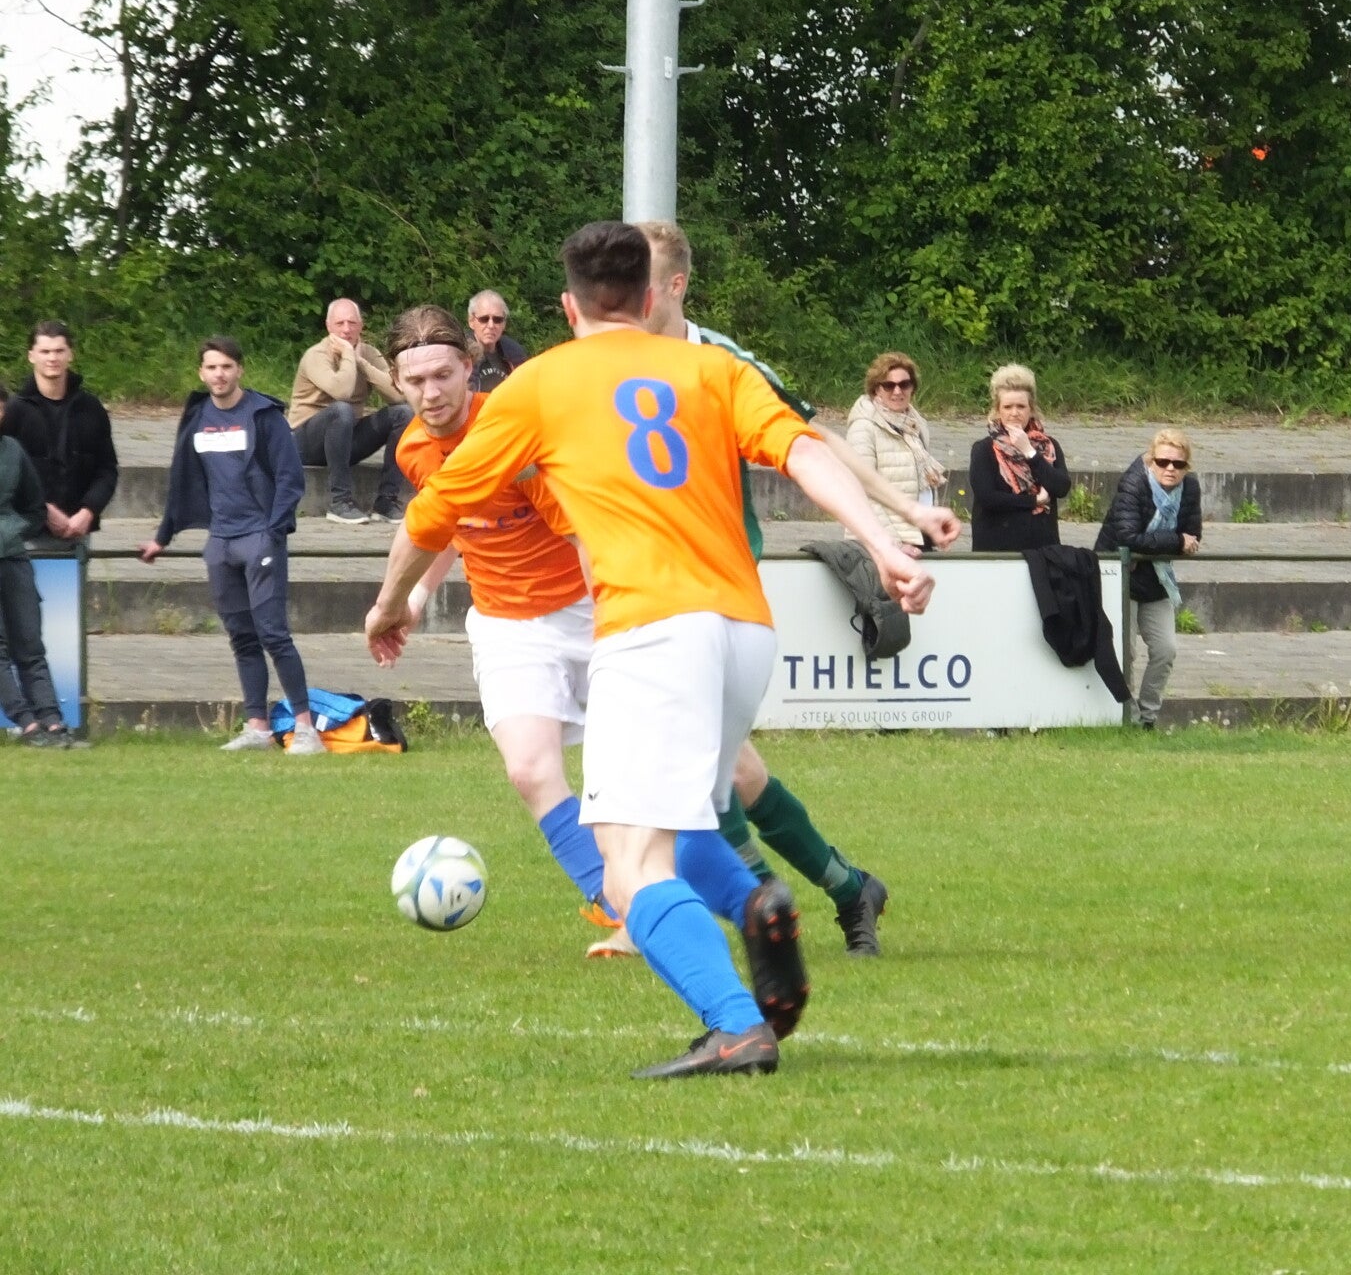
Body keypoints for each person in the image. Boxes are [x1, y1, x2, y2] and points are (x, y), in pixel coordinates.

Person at [364, 220, 933, 1079]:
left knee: (629, 865)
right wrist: (886, 545)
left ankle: (735, 1023)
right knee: (683, 815)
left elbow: (432, 514)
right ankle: (756, 909)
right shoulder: (712, 369)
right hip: (744, 628)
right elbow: (803, 450)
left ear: (569, 307)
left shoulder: (541, 383)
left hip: (649, 628)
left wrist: (387, 607)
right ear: (648, 295)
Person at [630, 219, 962, 957]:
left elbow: (816, 442)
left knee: (698, 766)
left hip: (712, 585)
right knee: (730, 766)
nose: (623, 296)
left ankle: (754, 911)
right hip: (631, 587)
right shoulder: (603, 356)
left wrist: (905, 513)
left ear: (676, 286)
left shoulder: (721, 360)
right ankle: (847, 888)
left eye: (639, 282)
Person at [138, 339, 322, 755]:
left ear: (239, 369)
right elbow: (181, 480)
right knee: (241, 637)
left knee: (274, 634)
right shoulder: (197, 417)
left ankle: (306, 730)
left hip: (260, 537)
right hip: (220, 542)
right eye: (211, 368)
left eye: (226, 366)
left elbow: (290, 478)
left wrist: (273, 532)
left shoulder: (264, 415)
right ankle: (258, 729)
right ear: (201, 373)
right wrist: (162, 537)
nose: (218, 374)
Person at [1095, 428, 1202, 730]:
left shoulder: (1190, 488)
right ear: (1151, 461)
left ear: (1186, 467)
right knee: (1125, 651)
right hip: (1119, 576)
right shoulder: (1133, 484)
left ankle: (1148, 717)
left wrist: (1174, 541)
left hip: (1156, 578)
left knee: (1166, 650)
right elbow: (1128, 538)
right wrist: (1175, 541)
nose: (1170, 469)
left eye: (1178, 464)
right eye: (1163, 461)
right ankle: (1124, 716)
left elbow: (1194, 535)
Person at [288, 298, 413, 525]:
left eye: (352, 323)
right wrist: (348, 355)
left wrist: (361, 362)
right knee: (341, 410)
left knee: (403, 413)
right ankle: (340, 502)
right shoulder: (316, 355)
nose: (346, 329)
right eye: (340, 323)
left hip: (346, 439)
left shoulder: (369, 353)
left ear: (361, 326)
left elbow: (398, 395)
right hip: (305, 442)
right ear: (328, 326)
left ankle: (386, 501)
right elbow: (342, 392)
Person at [0, 380, 70, 747]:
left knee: (29, 642)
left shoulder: (13, 451)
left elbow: (34, 506)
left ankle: (52, 719)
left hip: (13, 558)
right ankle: (26, 722)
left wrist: (12, 529)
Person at [9, 320, 119, 542]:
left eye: (59, 351)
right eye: (45, 351)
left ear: (70, 354)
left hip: (78, 528)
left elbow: (107, 469)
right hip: (24, 532)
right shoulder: (13, 412)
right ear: (31, 356)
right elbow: (7, 475)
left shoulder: (91, 408)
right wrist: (44, 510)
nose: (53, 358)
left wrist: (89, 510)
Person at [845, 352, 947, 550]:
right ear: (877, 389)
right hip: (885, 542)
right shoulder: (863, 427)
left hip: (919, 535)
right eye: (889, 385)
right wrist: (892, 542)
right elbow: (862, 491)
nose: (897, 391)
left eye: (904, 384)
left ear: (912, 387)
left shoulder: (916, 425)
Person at [969, 364, 1070, 552]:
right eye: (1008, 407)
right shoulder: (984, 449)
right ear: (998, 410)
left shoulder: (1049, 446)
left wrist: (1029, 452)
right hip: (997, 549)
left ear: (1031, 409)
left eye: (1021, 406)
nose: (1014, 413)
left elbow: (1061, 487)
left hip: (1042, 549)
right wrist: (1034, 501)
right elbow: (987, 497)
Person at [466, 289, 528, 393]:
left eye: (497, 320)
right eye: (484, 319)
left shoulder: (514, 353)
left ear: (504, 324)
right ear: (471, 321)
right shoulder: (460, 354)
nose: (491, 325)